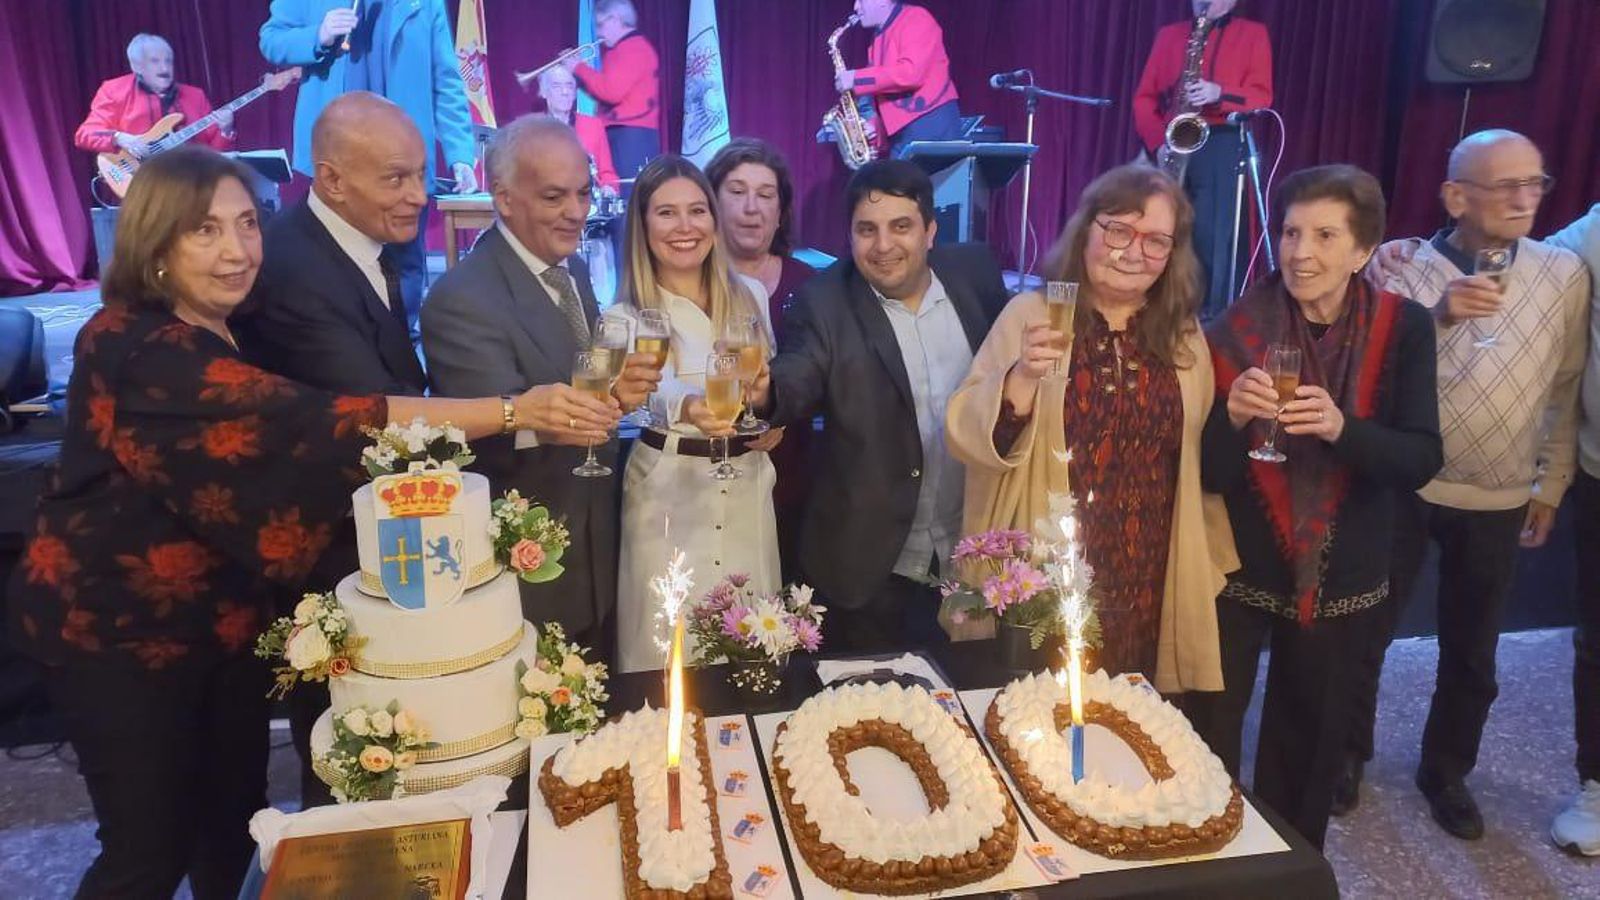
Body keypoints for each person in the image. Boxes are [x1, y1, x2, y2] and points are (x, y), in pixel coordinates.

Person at [4, 146, 610, 899]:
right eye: (205, 231)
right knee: (145, 853)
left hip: (222, 626)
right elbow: (318, 421)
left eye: (247, 225)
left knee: (231, 826)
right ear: (154, 245)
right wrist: (517, 410)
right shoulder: (134, 344)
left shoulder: (229, 324)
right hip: (121, 638)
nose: (236, 251)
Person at [1185, 164, 1443, 850]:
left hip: (1342, 579)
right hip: (1237, 575)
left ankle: (1283, 876)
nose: (1300, 252)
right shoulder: (1232, 330)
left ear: (1363, 250)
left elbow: (1420, 459)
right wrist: (1231, 419)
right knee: (1204, 740)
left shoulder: (1404, 328)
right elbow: (1207, 475)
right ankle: (1199, 870)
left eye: (1326, 235)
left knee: (1306, 755)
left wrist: (1341, 430)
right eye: (1291, 231)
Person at [1345, 130, 1589, 840]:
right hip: (1403, 487)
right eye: (1504, 185)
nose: (1524, 199)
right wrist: (1441, 315)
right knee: (1366, 630)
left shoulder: (1563, 273)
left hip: (1502, 489)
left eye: (1534, 183)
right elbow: (1367, 376)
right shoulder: (1400, 272)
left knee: (1474, 650)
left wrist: (1552, 484)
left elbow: (1566, 386)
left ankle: (1446, 770)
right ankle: (1347, 757)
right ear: (1456, 196)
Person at [945, 165, 1233, 693]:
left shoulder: (1184, 336)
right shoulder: (1031, 314)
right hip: (1051, 564)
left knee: (1132, 722)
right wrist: (1022, 378)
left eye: (1155, 241)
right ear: (1087, 232)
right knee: (1040, 722)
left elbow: (1196, 455)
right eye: (1118, 230)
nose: (1132, 251)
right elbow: (968, 432)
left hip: (1149, 567)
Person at [233, 91, 430, 807]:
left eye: (419, 175)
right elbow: (373, 408)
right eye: (395, 178)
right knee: (345, 759)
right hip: (322, 556)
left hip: (369, 540)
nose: (417, 196)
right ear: (332, 179)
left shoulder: (362, 246)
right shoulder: (295, 270)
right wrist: (513, 413)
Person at [420, 116, 659, 669]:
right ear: (503, 198)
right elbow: (488, 436)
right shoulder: (462, 297)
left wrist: (620, 395)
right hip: (532, 568)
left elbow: (582, 389)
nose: (576, 212)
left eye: (581, 193)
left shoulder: (571, 268)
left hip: (598, 547)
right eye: (554, 197)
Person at [747, 159, 1009, 652]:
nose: (883, 246)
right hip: (869, 569)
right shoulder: (824, 302)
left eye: (901, 227)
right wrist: (766, 394)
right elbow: (800, 371)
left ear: (931, 231)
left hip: (972, 556)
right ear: (849, 236)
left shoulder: (975, 274)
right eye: (867, 230)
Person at [612, 155, 783, 672]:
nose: (685, 227)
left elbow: (763, 378)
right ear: (643, 226)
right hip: (667, 488)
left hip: (747, 481)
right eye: (666, 213)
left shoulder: (749, 294)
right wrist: (687, 405)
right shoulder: (624, 313)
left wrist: (768, 409)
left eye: (696, 210)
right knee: (665, 642)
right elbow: (645, 388)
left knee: (752, 638)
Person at [260, 0, 478, 331]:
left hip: (402, 160)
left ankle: (401, 356)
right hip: (341, 159)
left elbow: (445, 78)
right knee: (335, 265)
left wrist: (460, 154)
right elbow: (272, 40)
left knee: (404, 268)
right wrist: (318, 35)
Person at [704, 138, 818, 580]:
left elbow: (829, 377)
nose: (752, 207)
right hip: (708, 486)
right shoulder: (685, 285)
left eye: (766, 195)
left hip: (795, 485)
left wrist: (780, 411)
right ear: (711, 201)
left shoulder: (811, 285)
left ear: (781, 210)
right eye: (736, 191)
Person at [1132, 0, 1273, 319]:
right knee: (1163, 227)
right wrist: (1158, 141)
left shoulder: (1253, 34)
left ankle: (1208, 316)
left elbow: (1262, 96)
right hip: (1173, 141)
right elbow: (1144, 97)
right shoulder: (1169, 35)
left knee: (1212, 235)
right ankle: (1158, 305)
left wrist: (1218, 93)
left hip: (1221, 139)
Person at [835, 0, 963, 156]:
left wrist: (855, 79)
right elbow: (885, 94)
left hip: (929, 126)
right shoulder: (877, 39)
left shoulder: (916, 18)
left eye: (861, 0)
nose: (856, 7)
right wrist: (875, 127)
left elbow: (911, 73)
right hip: (903, 134)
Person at [75, 33, 235, 157]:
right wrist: (119, 138)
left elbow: (213, 155)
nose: (165, 68)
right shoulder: (114, 90)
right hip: (141, 180)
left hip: (191, 180)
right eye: (155, 61)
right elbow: (85, 134)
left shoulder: (195, 95)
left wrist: (225, 130)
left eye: (169, 61)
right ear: (136, 66)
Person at [562, 0, 662, 182]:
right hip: (625, 133)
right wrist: (577, 73)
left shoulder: (633, 49)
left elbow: (611, 92)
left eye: (601, 25)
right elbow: (604, 93)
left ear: (615, 19)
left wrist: (579, 68)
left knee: (626, 195)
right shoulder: (625, 49)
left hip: (630, 135)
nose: (599, 33)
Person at [538, 66, 620, 195]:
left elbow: (607, 173)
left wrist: (609, 187)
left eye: (570, 86)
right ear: (544, 92)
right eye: (556, 86)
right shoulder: (533, 130)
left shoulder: (593, 125)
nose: (565, 91)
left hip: (586, 202)